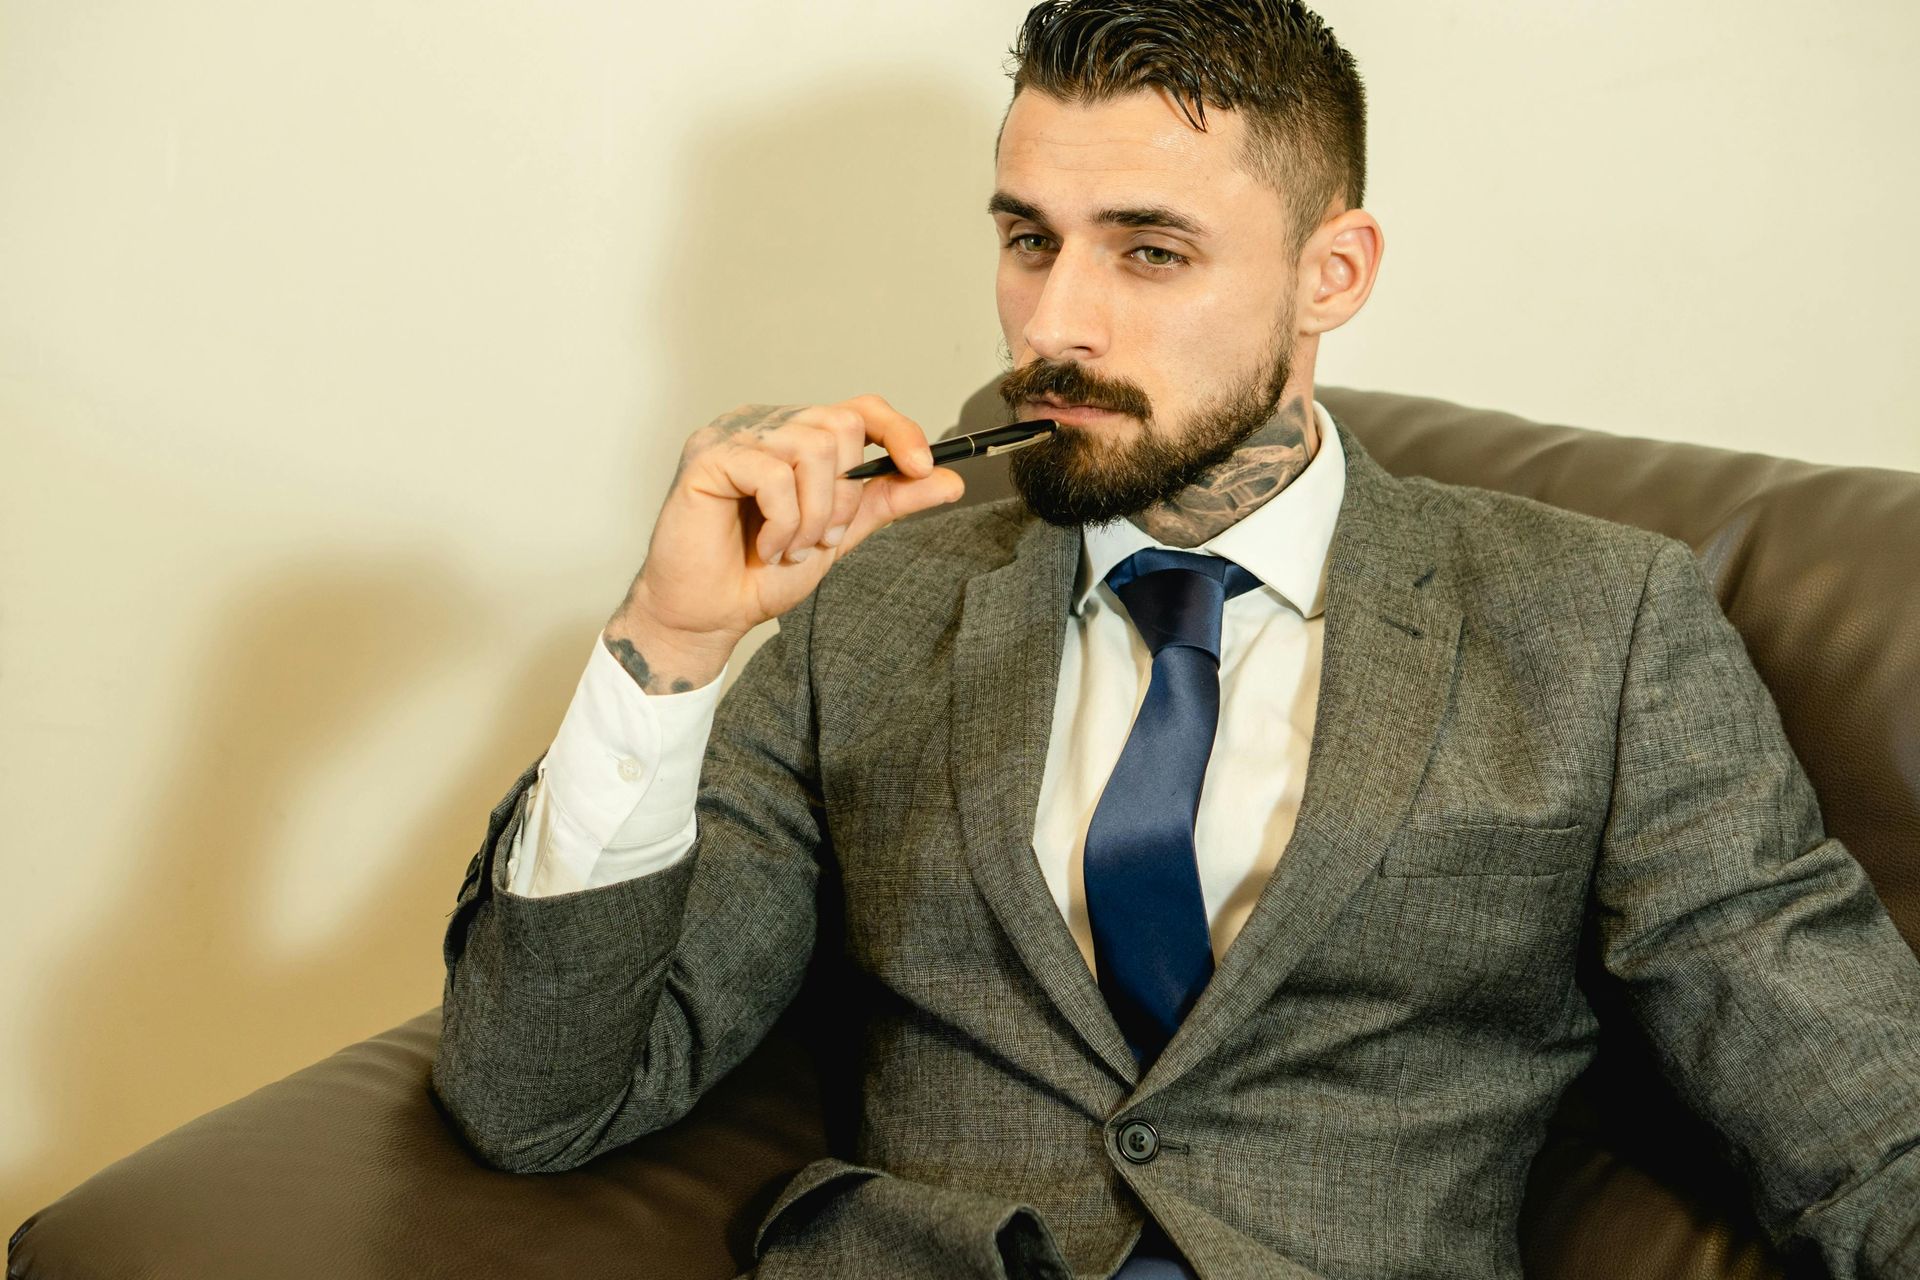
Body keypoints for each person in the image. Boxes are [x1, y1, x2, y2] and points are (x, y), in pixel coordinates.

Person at [431, 2, 1920, 1276]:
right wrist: (666, 645)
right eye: (1028, 239)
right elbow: (537, 1100)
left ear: (1330, 273)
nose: (1055, 321)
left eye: (1149, 252)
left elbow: (1863, 1126)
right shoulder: (871, 610)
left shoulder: (1601, 620)